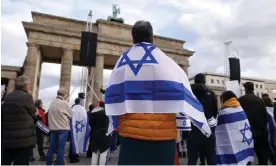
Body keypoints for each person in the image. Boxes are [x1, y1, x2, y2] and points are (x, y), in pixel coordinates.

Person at [104, 21, 211, 165]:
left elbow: (111, 97)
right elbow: (183, 91)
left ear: (133, 38)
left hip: (131, 138)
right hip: (162, 137)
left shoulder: (122, 62)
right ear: (152, 37)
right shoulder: (166, 62)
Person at [1, 76, 37, 165]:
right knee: (21, 162)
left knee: (5, 162)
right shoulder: (27, 97)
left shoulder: (7, 97)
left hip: (8, 138)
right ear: (25, 86)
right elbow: (33, 114)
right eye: (29, 85)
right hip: (23, 140)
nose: (30, 86)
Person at [216, 91, 254, 165]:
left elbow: (219, 129)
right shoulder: (240, 108)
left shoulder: (224, 111)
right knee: (243, 159)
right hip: (243, 138)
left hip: (231, 139)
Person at [187, 73, 218, 165]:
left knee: (192, 159)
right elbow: (215, 111)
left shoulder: (189, 92)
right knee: (211, 158)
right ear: (204, 81)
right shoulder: (211, 93)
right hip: (207, 128)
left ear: (195, 80)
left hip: (192, 128)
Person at [239, 82, 269, 164]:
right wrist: (263, 128)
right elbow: (265, 115)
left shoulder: (241, 99)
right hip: (259, 130)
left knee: (247, 156)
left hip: (246, 131)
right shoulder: (260, 100)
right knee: (261, 155)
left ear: (245, 89)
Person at [46, 88, 72, 165]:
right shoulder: (64, 103)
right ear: (63, 94)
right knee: (61, 149)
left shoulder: (52, 103)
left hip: (53, 129)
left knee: (51, 148)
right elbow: (71, 115)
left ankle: (48, 164)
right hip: (63, 129)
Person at [69, 98, 90, 163]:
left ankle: (72, 155)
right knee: (78, 140)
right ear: (80, 102)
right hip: (81, 127)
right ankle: (74, 157)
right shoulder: (83, 109)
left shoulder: (72, 109)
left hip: (73, 127)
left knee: (73, 141)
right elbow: (86, 119)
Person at [262, 96, 276, 164]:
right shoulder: (272, 107)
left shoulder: (265, 109)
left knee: (271, 144)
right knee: (273, 143)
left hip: (270, 126)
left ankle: (273, 159)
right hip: (273, 125)